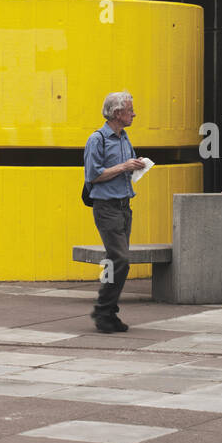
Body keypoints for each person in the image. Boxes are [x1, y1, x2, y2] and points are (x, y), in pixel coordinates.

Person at [83, 91, 148, 333]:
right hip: (106, 207)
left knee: (116, 261)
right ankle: (103, 310)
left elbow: (123, 170)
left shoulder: (124, 138)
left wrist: (135, 165)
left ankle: (108, 312)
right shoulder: (97, 139)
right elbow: (93, 175)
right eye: (130, 110)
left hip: (123, 206)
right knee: (120, 259)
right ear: (117, 113)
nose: (134, 113)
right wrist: (123, 166)